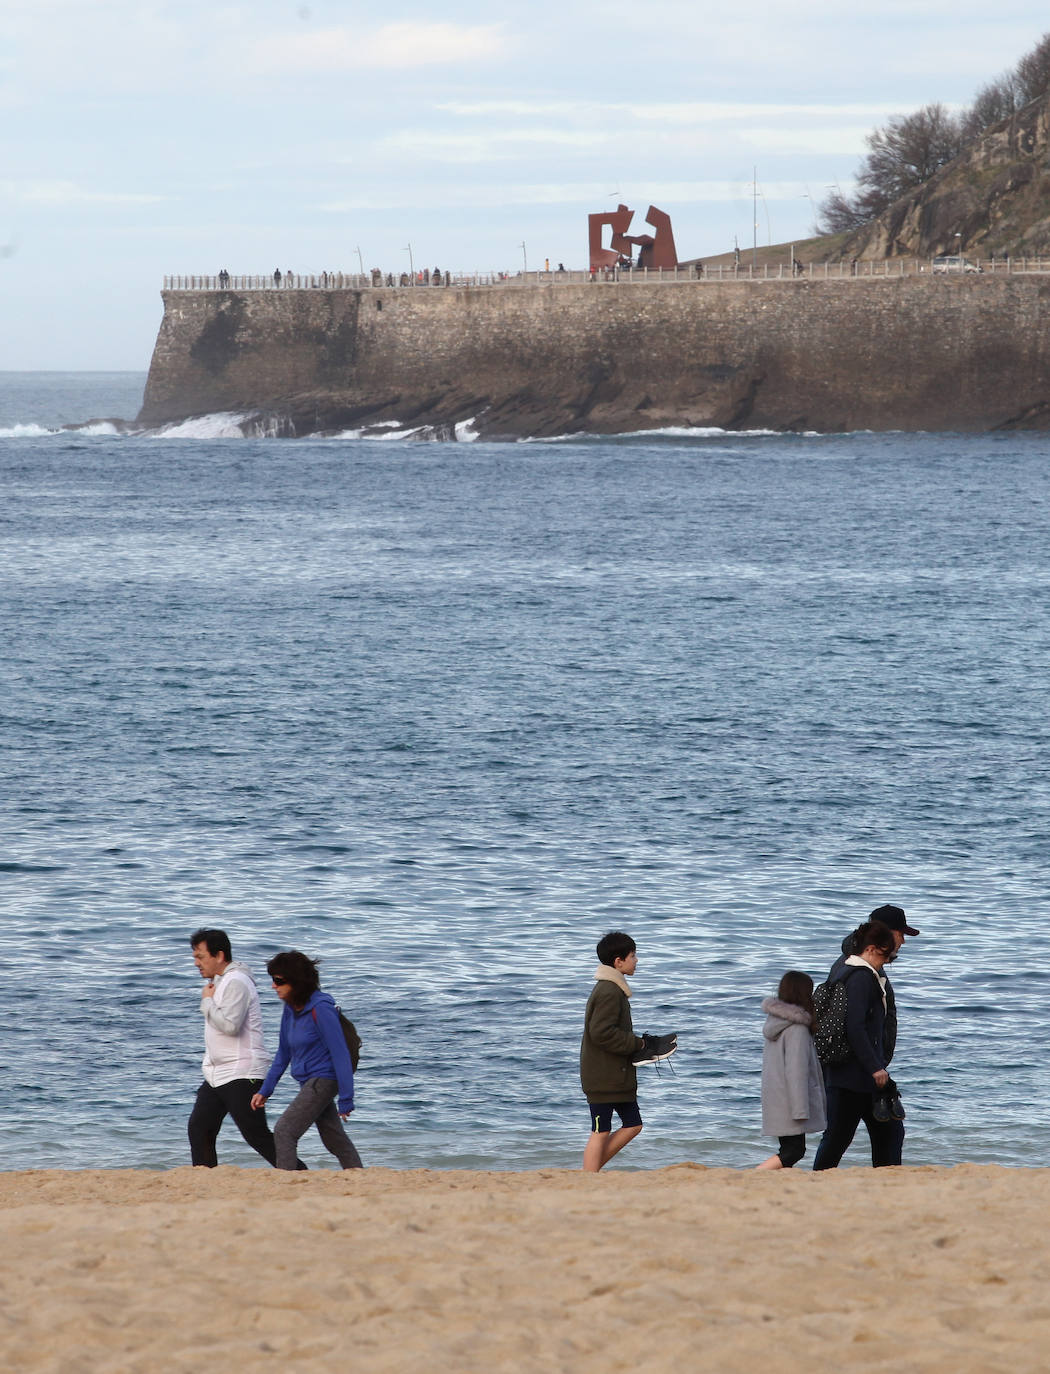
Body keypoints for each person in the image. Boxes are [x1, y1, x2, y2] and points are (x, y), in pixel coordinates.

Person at [251, 951, 363, 1170]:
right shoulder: (290, 1009)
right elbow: (283, 1053)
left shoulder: (321, 1010)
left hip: (324, 1079)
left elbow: (340, 1053)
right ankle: (359, 1175)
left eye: (279, 981)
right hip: (308, 1080)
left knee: (285, 1130)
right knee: (333, 1138)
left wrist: (346, 1098)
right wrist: (266, 1089)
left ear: (297, 981)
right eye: (273, 980)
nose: (274, 986)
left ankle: (286, 1182)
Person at [579, 931, 676, 1172]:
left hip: (616, 1075)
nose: (637, 960)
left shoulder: (614, 988)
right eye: (633, 956)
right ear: (618, 961)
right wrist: (639, 1044)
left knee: (633, 1124)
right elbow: (601, 1033)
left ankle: (590, 1171)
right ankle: (587, 1178)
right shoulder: (608, 991)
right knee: (600, 1131)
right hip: (603, 1077)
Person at [812, 920, 905, 1170]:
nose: (886, 962)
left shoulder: (846, 970)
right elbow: (855, 1027)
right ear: (872, 949)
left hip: (851, 1072)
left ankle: (887, 1176)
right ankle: (819, 1178)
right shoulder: (861, 977)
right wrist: (876, 1067)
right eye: (886, 957)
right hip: (853, 1074)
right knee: (839, 1136)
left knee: (886, 1131)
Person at [187, 928, 277, 1168]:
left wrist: (206, 1002)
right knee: (199, 1128)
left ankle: (298, 1173)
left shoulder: (236, 981)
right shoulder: (219, 981)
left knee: (256, 1135)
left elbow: (230, 1025)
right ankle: (205, 1180)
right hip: (217, 1074)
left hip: (242, 1072)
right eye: (194, 957)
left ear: (219, 955)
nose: (196, 963)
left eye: (200, 957)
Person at [755, 971, 826, 1169]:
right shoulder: (797, 1030)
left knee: (789, 1149)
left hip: (777, 1097)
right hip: (790, 1100)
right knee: (793, 1151)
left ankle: (765, 1178)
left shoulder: (775, 1023)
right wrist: (801, 1109)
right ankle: (755, 1175)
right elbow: (796, 1072)